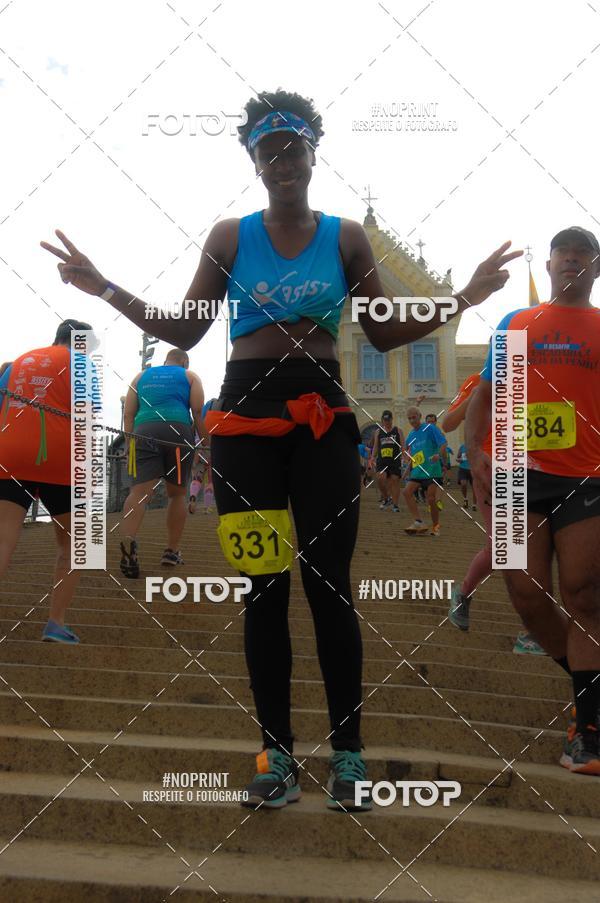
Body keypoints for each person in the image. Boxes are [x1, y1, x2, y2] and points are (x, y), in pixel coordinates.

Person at [41, 87, 520, 809]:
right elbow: (186, 324)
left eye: (293, 147)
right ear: (254, 160)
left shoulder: (347, 235)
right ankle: (277, 756)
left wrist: (464, 296)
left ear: (312, 153)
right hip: (242, 421)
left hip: (324, 415)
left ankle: (349, 755)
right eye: (268, 150)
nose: (282, 160)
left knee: (330, 586)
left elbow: (385, 328)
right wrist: (102, 284)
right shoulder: (231, 235)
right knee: (263, 590)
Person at [467, 226, 600, 774]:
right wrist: (476, 453)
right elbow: (487, 391)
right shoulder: (518, 324)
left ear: (594, 268)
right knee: (524, 592)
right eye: (563, 256)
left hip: (587, 477)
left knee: (584, 593)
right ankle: (584, 678)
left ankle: (588, 726)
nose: (572, 263)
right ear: (549, 266)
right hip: (516, 477)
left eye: (583, 257)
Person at [0, 319, 94, 643]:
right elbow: (88, 418)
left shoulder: (20, 359)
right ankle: (56, 623)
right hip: (60, 455)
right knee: (76, 541)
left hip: (10, 449)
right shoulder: (82, 363)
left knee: (3, 538)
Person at [442, 372, 544, 655]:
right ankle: (532, 629)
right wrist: (477, 396)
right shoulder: (475, 380)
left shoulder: (534, 378)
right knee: (506, 549)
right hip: (489, 471)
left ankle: (464, 595)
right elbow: (448, 422)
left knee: (521, 547)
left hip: (530, 470)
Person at [118, 349, 205, 577]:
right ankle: (171, 551)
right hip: (178, 432)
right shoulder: (189, 376)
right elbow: (197, 410)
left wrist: (129, 443)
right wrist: (207, 442)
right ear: (184, 362)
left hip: (144, 430)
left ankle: (129, 543)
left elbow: (128, 413)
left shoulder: (140, 377)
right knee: (176, 494)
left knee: (138, 493)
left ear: (165, 360)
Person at [403, 407, 447, 535]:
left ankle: (436, 527)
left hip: (432, 470)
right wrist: (406, 457)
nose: (412, 420)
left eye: (414, 417)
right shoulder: (411, 435)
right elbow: (407, 450)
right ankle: (418, 521)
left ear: (420, 416)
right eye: (409, 418)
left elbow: (443, 444)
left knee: (431, 499)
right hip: (417, 471)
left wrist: (438, 455)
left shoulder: (430, 428)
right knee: (406, 492)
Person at [372, 410, 404, 512]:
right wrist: (372, 457)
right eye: (385, 420)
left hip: (395, 460)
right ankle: (386, 499)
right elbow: (376, 446)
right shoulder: (378, 432)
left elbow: (403, 446)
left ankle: (395, 505)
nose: (387, 422)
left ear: (392, 419)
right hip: (382, 460)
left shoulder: (398, 430)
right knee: (380, 478)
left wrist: (404, 456)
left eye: (389, 420)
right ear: (382, 420)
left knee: (395, 480)